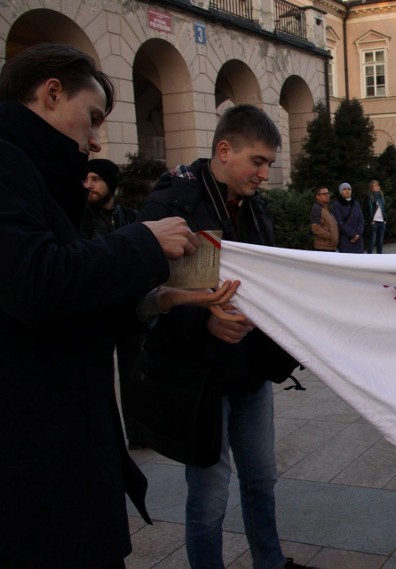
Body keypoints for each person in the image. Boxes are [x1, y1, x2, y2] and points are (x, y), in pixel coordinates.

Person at [0, 42, 225, 569]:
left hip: (65, 446)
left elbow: (72, 299)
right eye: (93, 117)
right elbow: (37, 282)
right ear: (51, 93)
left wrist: (159, 300)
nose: (97, 138)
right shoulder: (8, 165)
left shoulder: (36, 172)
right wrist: (143, 242)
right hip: (32, 459)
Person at [136, 104, 313, 569]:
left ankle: (270, 563)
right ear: (224, 150)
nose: (264, 174)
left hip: (250, 373)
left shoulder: (256, 209)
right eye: (258, 161)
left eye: (269, 165)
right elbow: (145, 300)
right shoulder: (169, 205)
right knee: (210, 495)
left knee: (262, 480)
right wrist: (206, 321)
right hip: (200, 378)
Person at [80, 158, 148, 448]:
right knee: (97, 380)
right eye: (86, 179)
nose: (89, 185)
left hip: (130, 310)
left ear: (110, 183)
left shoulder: (130, 217)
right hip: (97, 312)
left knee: (134, 376)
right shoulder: (80, 220)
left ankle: (138, 435)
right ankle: (104, 439)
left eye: (96, 179)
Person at [331, 181, 365, 253]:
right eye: (344, 189)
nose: (347, 191)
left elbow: (361, 219)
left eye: (349, 189)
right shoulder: (337, 206)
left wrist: (358, 234)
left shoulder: (356, 204)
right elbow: (340, 223)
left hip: (358, 240)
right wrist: (352, 234)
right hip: (345, 240)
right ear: (340, 192)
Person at [311, 185, 339, 251]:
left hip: (330, 247)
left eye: (328, 193)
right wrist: (330, 236)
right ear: (317, 196)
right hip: (323, 248)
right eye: (324, 194)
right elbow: (316, 228)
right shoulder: (317, 209)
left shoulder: (326, 208)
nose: (327, 195)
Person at [365, 179, 387, 253]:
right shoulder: (370, 197)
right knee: (372, 242)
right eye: (375, 186)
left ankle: (379, 258)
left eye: (378, 185)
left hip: (381, 222)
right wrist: (371, 220)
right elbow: (367, 210)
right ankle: (369, 257)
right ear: (371, 188)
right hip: (374, 222)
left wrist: (385, 220)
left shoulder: (381, 197)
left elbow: (383, 209)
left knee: (380, 242)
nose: (377, 187)